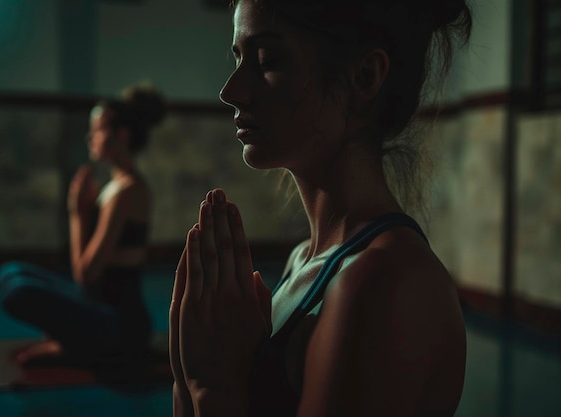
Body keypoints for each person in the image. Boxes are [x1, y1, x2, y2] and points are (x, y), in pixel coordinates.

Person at [170, 0, 471, 416]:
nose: (230, 90)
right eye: (238, 58)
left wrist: (211, 388)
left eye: (267, 60)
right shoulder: (303, 261)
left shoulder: (385, 284)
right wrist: (185, 377)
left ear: (364, 77)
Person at [0, 84, 166, 376]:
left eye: (96, 130)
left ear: (121, 136)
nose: (90, 137)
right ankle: (71, 339)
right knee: (10, 273)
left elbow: (86, 275)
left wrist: (77, 215)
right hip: (98, 307)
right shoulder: (116, 186)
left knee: (19, 292)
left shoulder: (126, 192)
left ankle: (72, 346)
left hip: (120, 329)